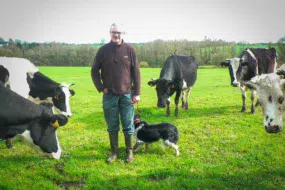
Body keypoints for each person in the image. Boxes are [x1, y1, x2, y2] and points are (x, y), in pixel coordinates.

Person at [91, 23, 141, 163]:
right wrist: (101, 88)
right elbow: (94, 71)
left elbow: (136, 72)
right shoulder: (103, 50)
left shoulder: (130, 50)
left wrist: (137, 93)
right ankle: (114, 153)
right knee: (112, 125)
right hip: (109, 95)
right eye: (113, 32)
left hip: (127, 95)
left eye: (118, 32)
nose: (116, 35)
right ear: (110, 33)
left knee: (127, 124)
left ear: (122, 33)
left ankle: (129, 152)